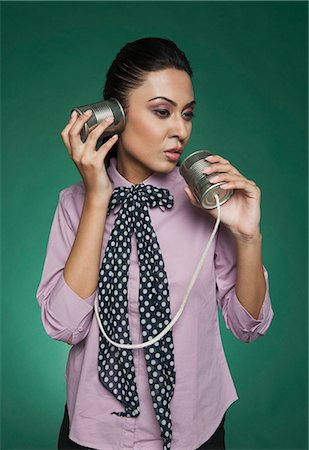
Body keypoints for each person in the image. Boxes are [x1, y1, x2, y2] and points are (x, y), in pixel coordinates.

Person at [36, 37, 274, 450]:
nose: (180, 129)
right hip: (96, 430)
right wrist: (97, 198)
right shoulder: (73, 205)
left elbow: (247, 324)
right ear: (115, 117)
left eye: (187, 114)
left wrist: (248, 237)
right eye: (162, 112)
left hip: (192, 429)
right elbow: (64, 325)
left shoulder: (204, 200)